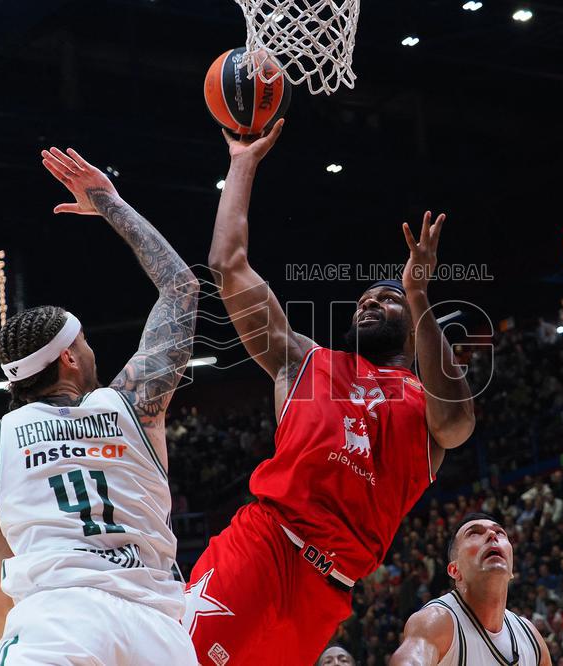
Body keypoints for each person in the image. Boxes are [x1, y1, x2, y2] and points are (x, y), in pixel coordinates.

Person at [184, 120, 475, 664]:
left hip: (329, 591)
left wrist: (417, 294)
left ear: (413, 323)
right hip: (266, 547)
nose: (369, 302)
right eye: (365, 298)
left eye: (386, 299)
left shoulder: (427, 405)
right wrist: (243, 162)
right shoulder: (306, 361)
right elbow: (227, 267)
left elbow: (459, 423)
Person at [0, 147, 199, 664]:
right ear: (70, 356)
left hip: (57, 622)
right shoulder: (133, 407)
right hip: (156, 630)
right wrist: (110, 203)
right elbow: (180, 285)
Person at [391, 513, 552, 666]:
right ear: (455, 570)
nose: (492, 535)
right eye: (474, 534)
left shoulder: (531, 638)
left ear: (511, 567)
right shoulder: (437, 621)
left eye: (500, 533)